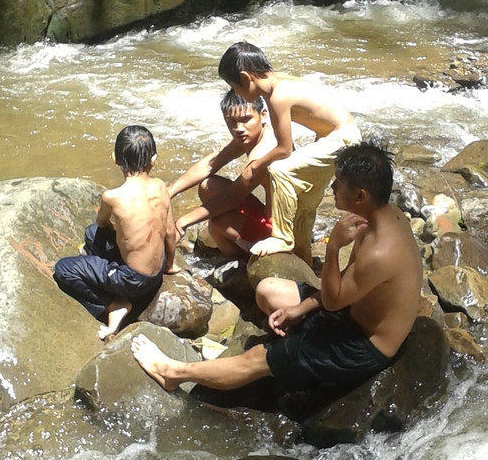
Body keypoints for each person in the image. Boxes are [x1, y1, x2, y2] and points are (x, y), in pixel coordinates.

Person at [131, 141, 422, 392]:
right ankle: (295, 352)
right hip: (351, 312)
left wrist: (333, 247)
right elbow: (351, 283)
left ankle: (172, 374)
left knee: (258, 357)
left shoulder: (381, 250)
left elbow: (334, 301)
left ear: (360, 196)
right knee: (269, 290)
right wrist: (301, 309)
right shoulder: (386, 216)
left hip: (363, 347)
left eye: (338, 183)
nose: (332, 188)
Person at [217, 41, 361, 263]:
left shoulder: (277, 97)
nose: (236, 93)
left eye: (234, 86)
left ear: (246, 78)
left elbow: (284, 150)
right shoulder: (277, 81)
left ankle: (282, 238)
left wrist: (255, 165)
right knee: (304, 201)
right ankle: (303, 258)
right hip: (332, 137)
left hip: (341, 137)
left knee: (279, 170)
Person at [53, 125, 178, 340]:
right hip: (156, 271)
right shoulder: (161, 187)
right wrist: (169, 265)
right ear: (154, 159)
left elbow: (102, 223)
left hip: (132, 280)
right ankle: (109, 273)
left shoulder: (113, 197)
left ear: (115, 159)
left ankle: (114, 305)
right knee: (92, 235)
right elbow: (170, 232)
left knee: (64, 269)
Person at [168, 90, 277, 258]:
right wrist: (169, 193)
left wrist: (183, 222)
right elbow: (210, 164)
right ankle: (240, 240)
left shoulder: (264, 151)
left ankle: (240, 263)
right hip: (268, 214)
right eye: (232, 121)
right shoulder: (252, 134)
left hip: (280, 231)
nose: (238, 128)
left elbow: (232, 197)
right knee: (208, 186)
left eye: (245, 119)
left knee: (217, 224)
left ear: (263, 115)